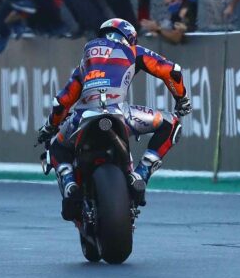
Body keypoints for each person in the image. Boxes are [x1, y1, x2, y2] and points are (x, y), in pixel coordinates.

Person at [37, 18, 191, 217]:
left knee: (55, 146)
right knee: (172, 123)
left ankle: (69, 182)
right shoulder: (134, 51)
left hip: (81, 118)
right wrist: (182, 99)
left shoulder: (85, 61)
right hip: (121, 114)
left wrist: (50, 127)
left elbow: (62, 102)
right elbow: (172, 71)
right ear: (130, 38)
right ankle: (141, 173)